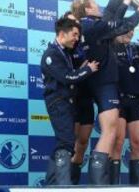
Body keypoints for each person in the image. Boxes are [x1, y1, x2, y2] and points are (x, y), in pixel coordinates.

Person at [70, 0, 139, 184]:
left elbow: (111, 20)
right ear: (88, 10)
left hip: (87, 86)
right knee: (110, 130)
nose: (99, 6)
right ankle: (96, 184)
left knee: (81, 140)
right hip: (103, 83)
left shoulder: (86, 26)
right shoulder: (93, 26)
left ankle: (71, 183)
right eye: (95, 4)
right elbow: (120, 25)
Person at [41, 17, 99, 185]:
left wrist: (79, 70)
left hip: (66, 102)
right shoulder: (51, 54)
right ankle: (60, 185)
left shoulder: (63, 52)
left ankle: (53, 184)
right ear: (62, 33)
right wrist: (88, 69)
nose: (76, 39)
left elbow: (70, 74)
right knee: (66, 142)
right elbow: (68, 78)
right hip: (58, 102)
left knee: (65, 142)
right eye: (74, 34)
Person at [111, 29, 139, 185]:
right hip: (118, 100)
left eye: (132, 30)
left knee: (137, 143)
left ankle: (136, 187)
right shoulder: (110, 47)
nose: (130, 33)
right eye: (126, 29)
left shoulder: (136, 48)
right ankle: (112, 186)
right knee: (117, 142)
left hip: (137, 100)